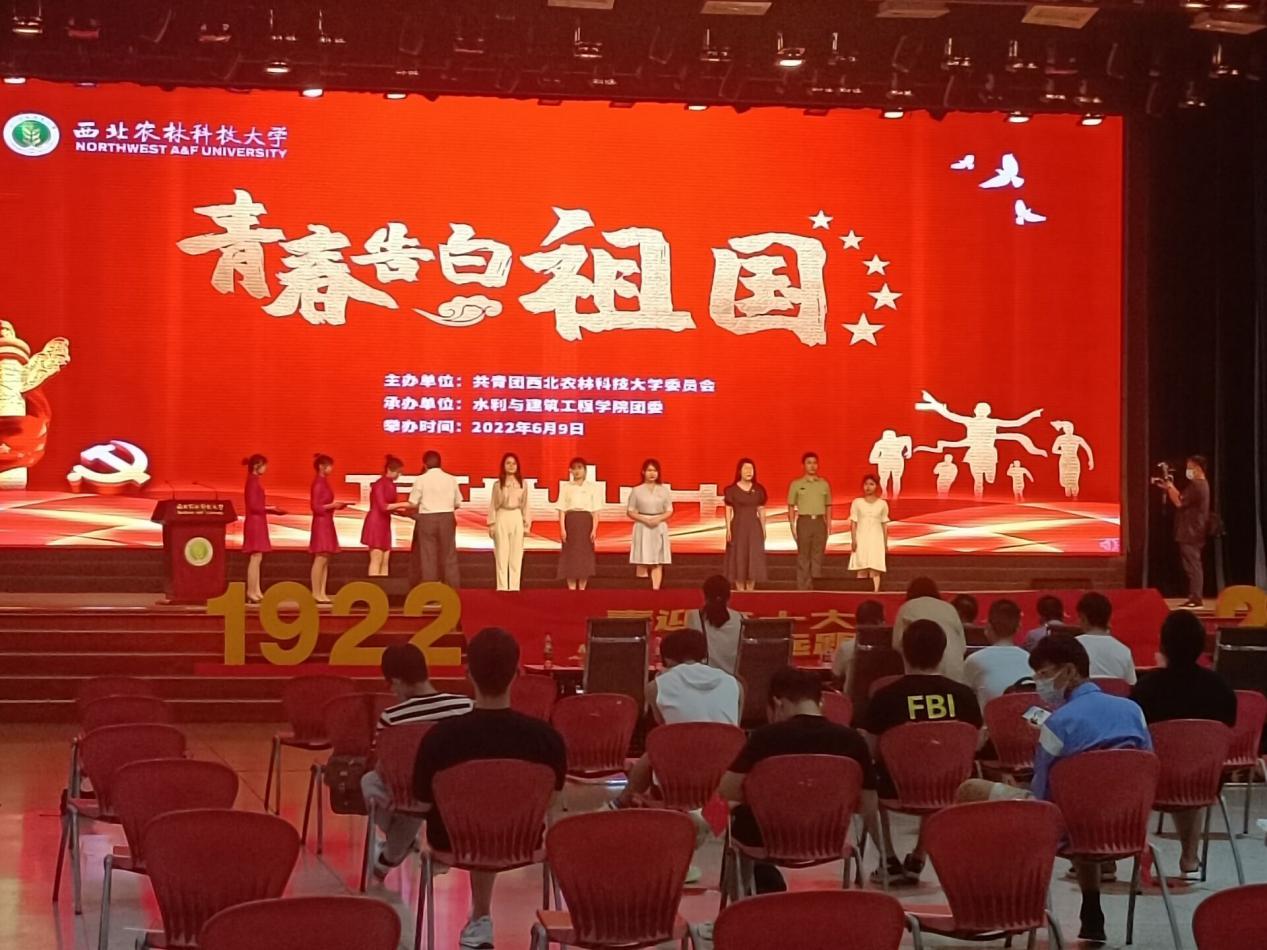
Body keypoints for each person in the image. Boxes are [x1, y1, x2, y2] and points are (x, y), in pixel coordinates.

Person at [956, 634, 1152, 944]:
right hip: (1124, 826)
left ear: (1070, 671)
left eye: (1045, 674)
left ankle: (992, 899)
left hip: (1071, 826)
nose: (1040, 682)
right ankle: (1090, 911)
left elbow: (1042, 797)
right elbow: (1147, 767)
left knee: (970, 790)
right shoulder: (1133, 711)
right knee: (1085, 804)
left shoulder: (1056, 724)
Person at [412, 627, 567, 949]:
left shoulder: (439, 738)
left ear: (468, 674)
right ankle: (480, 915)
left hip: (450, 840)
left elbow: (422, 801)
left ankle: (479, 917)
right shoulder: (547, 739)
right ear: (518, 674)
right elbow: (551, 801)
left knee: (479, 824)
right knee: (492, 821)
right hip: (521, 840)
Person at [718, 667, 879, 894]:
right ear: (820, 701)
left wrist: (762, 797)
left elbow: (727, 791)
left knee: (736, 817)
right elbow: (868, 805)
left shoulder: (764, 738)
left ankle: (740, 903)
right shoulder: (852, 740)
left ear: (778, 703)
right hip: (826, 837)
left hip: (767, 838)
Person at [864, 619, 982, 883]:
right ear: (943, 652)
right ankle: (919, 855)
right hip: (949, 786)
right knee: (938, 767)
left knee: (866, 779)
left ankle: (888, 858)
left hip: (895, 788)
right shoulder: (964, 695)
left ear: (903, 652)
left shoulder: (885, 697)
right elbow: (972, 745)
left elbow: (871, 750)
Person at [1131, 610, 1236, 874]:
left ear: (1163, 645)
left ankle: (1108, 858)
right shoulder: (1221, 688)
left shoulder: (1145, 689)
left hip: (1154, 780)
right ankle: (1190, 856)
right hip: (1205, 782)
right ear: (1201, 645)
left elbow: (1132, 733)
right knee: (1190, 768)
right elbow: (1227, 729)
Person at [361, 644, 473, 883]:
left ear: (397, 682)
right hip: (458, 792)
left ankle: (393, 851)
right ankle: (394, 851)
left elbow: (385, 767)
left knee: (370, 783)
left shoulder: (392, 718)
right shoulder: (465, 706)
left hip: (413, 795)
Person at [614, 629, 742, 806]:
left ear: (667, 659)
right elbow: (734, 729)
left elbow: (664, 728)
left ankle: (622, 802)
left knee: (654, 750)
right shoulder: (735, 684)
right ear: (703, 654)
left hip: (677, 777)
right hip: (725, 774)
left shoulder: (656, 687)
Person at [891, 577, 966, 682]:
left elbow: (897, 644)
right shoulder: (949, 608)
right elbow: (962, 646)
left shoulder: (907, 607)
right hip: (954, 669)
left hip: (920, 670)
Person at [1161, 455, 1211, 608]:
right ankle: (1194, 596)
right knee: (1191, 565)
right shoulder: (1200, 485)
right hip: (1192, 531)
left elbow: (1179, 502)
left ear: (1198, 468)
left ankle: (1196, 598)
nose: (1188, 470)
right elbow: (1181, 498)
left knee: (1193, 565)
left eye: (1190, 467)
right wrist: (1170, 487)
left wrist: (1169, 487)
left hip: (1191, 532)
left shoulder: (1197, 485)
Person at [408, 450, 463, 587]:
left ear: (425, 464)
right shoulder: (451, 479)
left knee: (428, 556)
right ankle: (453, 590)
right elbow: (458, 503)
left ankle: (430, 591)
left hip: (427, 518)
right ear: (440, 463)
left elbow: (413, 502)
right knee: (449, 555)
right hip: (447, 517)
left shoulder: (421, 479)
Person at [964, 598, 1033, 706]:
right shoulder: (1029, 658)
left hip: (988, 717)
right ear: (1018, 627)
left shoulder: (974, 660)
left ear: (988, 626)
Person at [241, 454, 285, 604]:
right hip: (255, 523)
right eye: (264, 465)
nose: (265, 468)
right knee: (255, 557)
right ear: (256, 466)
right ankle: (251, 591)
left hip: (258, 521)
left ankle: (256, 590)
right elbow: (254, 506)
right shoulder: (252, 482)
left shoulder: (254, 481)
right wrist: (270, 509)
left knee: (258, 557)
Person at [787, 451, 832, 590]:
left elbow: (828, 506)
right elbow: (791, 506)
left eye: (814, 463)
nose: (812, 466)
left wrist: (829, 525)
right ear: (803, 466)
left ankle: (815, 588)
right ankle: (802, 589)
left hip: (819, 522)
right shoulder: (796, 484)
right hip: (804, 522)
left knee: (818, 557)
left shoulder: (824, 484)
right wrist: (792, 526)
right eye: (809, 463)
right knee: (803, 557)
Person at [309, 454, 349, 604]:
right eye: (329, 466)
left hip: (327, 521)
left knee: (326, 558)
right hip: (321, 523)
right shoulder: (318, 483)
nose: (331, 469)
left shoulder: (324, 482)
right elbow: (315, 507)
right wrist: (333, 505)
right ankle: (315, 592)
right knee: (320, 557)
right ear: (321, 467)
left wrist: (335, 506)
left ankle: (322, 592)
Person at [487, 452, 531, 591]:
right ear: (503, 466)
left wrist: (527, 524)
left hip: (516, 515)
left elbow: (526, 505)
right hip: (502, 515)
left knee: (516, 555)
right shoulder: (497, 484)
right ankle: (502, 588)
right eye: (508, 463)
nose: (511, 466)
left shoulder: (523, 484)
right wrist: (491, 524)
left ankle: (514, 588)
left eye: (514, 463)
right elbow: (493, 505)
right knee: (501, 554)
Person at [627, 458, 672, 589]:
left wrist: (658, 519)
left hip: (659, 525)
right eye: (649, 470)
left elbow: (669, 510)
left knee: (658, 560)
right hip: (642, 526)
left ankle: (655, 590)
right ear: (643, 472)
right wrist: (645, 519)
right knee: (642, 558)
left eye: (655, 471)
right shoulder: (636, 490)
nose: (652, 473)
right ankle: (643, 591)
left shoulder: (664, 490)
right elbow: (630, 511)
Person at [362, 455, 411, 577]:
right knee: (377, 557)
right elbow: (383, 506)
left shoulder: (391, 485)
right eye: (398, 472)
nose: (399, 475)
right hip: (376, 523)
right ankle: (374, 585)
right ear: (390, 469)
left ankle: (383, 586)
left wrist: (403, 512)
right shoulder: (379, 484)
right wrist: (404, 504)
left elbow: (390, 507)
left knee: (385, 559)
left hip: (384, 523)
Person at [723, 458, 767, 591]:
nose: (749, 471)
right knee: (738, 557)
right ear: (739, 471)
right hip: (738, 527)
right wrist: (728, 529)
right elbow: (728, 509)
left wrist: (764, 529)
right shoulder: (731, 490)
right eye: (746, 468)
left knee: (752, 558)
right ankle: (740, 592)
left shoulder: (759, 490)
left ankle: (750, 592)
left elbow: (761, 510)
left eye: (751, 469)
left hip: (754, 528)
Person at [685, 574, 744, 675]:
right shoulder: (741, 618)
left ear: (704, 595)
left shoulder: (694, 617)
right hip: (734, 679)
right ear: (729, 596)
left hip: (704, 678)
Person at [557, 457, 600, 590]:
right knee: (570, 556)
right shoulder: (566, 487)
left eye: (580, 468)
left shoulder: (592, 488)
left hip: (586, 523)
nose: (577, 471)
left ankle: (582, 589)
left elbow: (595, 511)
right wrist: (562, 529)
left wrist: (594, 529)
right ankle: (571, 590)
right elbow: (561, 510)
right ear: (570, 471)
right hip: (571, 523)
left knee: (584, 556)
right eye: (574, 468)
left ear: (585, 470)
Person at [1075, 591, 1136, 685]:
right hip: (1116, 694)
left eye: (1079, 617)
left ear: (1083, 618)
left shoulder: (1073, 646)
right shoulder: (1124, 651)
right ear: (1109, 618)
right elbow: (1131, 685)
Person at [847, 473, 889, 593]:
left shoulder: (882, 504)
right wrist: (853, 540)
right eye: (866, 484)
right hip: (861, 538)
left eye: (871, 484)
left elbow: (884, 524)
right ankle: (860, 594)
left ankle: (875, 593)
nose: (868, 487)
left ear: (877, 486)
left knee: (875, 568)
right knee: (862, 568)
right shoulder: (857, 502)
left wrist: (885, 543)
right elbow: (853, 522)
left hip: (876, 539)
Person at [830, 599, 886, 687]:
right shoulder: (891, 647)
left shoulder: (846, 647)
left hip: (851, 695)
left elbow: (836, 677)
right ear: (879, 622)